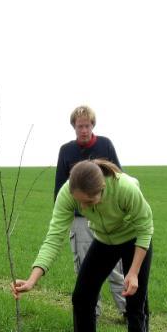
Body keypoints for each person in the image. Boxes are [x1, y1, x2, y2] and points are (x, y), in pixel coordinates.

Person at [13, 159, 153, 332]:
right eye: (79, 201)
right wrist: (33, 278)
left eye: (88, 202)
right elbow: (54, 236)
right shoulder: (68, 194)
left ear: (103, 190)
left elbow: (145, 227)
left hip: (134, 241)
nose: (82, 206)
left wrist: (133, 272)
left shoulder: (126, 188)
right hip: (104, 241)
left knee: (136, 308)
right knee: (82, 297)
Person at [55, 106, 127, 319]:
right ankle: (91, 314)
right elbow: (60, 187)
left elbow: (119, 177)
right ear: (74, 127)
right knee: (86, 269)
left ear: (93, 125)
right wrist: (63, 216)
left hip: (107, 218)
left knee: (115, 268)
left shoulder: (105, 145)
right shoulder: (66, 151)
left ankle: (127, 311)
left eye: (87, 125)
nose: (84, 130)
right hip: (80, 219)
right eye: (80, 126)